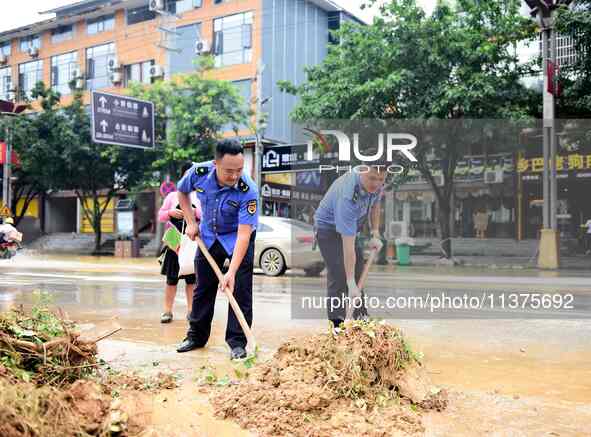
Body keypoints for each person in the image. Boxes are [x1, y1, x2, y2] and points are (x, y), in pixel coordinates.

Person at [175, 140, 258, 360]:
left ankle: (237, 343)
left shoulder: (248, 189)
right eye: (229, 171)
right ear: (215, 164)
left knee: (240, 288)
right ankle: (196, 337)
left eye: (239, 170)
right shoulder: (198, 173)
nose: (234, 176)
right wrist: (191, 222)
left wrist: (231, 272)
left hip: (237, 238)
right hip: (209, 236)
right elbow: (182, 192)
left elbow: (243, 234)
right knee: (203, 287)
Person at [314, 165, 386, 330]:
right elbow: (348, 245)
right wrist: (350, 281)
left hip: (350, 228)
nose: (376, 184)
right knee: (340, 276)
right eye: (372, 178)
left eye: (381, 179)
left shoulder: (377, 184)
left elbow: (375, 205)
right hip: (328, 231)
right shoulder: (348, 195)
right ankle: (337, 326)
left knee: (358, 275)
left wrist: (375, 233)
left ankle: (361, 320)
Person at [157, 162, 202, 324]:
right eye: (187, 174)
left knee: (192, 280)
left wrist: (192, 211)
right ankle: (167, 311)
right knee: (171, 280)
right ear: (183, 176)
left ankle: (191, 311)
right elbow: (160, 216)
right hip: (173, 241)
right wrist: (170, 212)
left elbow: (204, 216)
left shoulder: (200, 196)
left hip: (192, 241)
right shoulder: (171, 196)